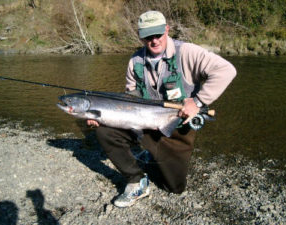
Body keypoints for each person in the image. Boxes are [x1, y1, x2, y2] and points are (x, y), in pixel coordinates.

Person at [87, 10, 236, 208]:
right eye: (148, 36)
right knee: (105, 131)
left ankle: (155, 156)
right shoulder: (135, 62)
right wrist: (103, 117)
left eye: (158, 34)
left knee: (174, 188)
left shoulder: (188, 52)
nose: (154, 40)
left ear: (167, 29)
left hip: (176, 129)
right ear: (140, 36)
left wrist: (198, 101)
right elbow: (128, 100)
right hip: (143, 124)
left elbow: (227, 70)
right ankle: (136, 179)